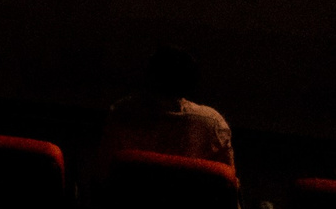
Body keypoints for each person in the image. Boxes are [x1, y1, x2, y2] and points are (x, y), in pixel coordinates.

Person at [98, 45, 235, 169]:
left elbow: (103, 175)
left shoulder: (121, 114)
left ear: (150, 75)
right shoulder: (212, 124)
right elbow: (227, 186)